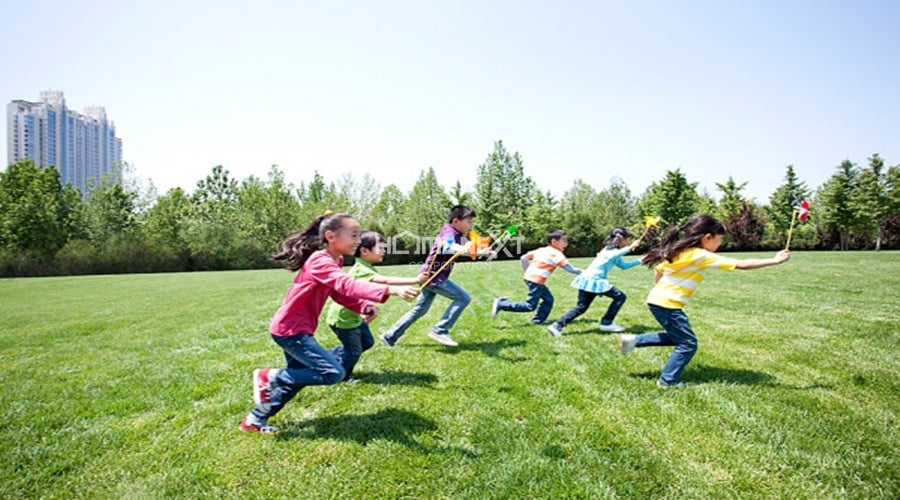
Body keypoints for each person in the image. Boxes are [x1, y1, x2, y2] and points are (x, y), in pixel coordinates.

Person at [240, 213, 419, 433]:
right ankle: (269, 376)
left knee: (298, 378)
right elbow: (346, 284)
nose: (358, 241)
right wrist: (389, 289)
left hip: (296, 329)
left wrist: (361, 306)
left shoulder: (336, 260)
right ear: (330, 236)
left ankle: (254, 420)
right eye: (353, 235)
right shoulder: (319, 260)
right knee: (332, 373)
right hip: (291, 330)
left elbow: (338, 291)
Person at [619, 214, 790, 388]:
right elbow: (741, 264)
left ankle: (634, 340)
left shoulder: (679, 251)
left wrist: (658, 289)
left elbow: (659, 270)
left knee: (679, 337)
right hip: (667, 303)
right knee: (688, 343)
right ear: (707, 237)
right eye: (719, 239)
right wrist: (774, 260)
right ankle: (667, 380)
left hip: (658, 300)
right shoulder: (701, 255)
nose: (720, 244)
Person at [380, 205, 493, 348]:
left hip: (430, 275)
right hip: (434, 277)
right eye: (469, 221)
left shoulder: (457, 235)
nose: (471, 225)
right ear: (456, 221)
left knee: (420, 309)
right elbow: (448, 247)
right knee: (463, 298)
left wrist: (483, 251)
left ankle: (389, 336)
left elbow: (466, 250)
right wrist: (473, 250)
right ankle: (440, 330)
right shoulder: (449, 232)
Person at [325, 231, 426, 383]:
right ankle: (343, 377)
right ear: (364, 251)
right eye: (381, 247)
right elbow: (386, 281)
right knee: (354, 351)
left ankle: (325, 356)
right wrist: (415, 280)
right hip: (343, 319)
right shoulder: (361, 269)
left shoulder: (366, 267)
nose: (384, 251)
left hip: (354, 316)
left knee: (367, 342)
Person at [546, 227, 642, 337]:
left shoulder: (611, 251)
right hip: (594, 280)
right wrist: (630, 248)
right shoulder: (609, 251)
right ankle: (607, 322)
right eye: (628, 239)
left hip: (588, 279)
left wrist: (641, 260)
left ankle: (557, 325)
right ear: (622, 239)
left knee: (582, 307)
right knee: (620, 297)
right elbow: (613, 255)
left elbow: (624, 266)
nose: (629, 242)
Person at [491, 230, 582, 325]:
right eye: (564, 241)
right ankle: (502, 304)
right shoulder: (556, 254)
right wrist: (585, 272)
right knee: (530, 306)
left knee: (548, 299)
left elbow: (523, 258)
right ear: (554, 242)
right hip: (536, 280)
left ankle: (538, 320)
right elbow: (571, 269)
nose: (566, 244)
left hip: (531, 278)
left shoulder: (542, 250)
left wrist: (527, 271)